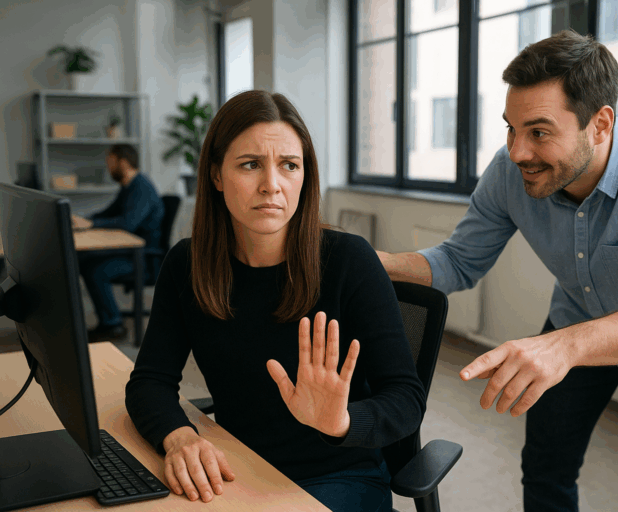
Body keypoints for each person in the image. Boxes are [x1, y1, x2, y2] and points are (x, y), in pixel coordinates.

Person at [378, 30, 618, 512]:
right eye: (511, 128)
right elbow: (458, 260)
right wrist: (373, 263)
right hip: (579, 315)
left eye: (539, 132)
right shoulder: (509, 171)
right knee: (545, 466)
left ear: (601, 124)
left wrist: (564, 346)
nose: (517, 151)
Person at [124, 90, 425, 512]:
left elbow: (406, 400)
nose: (272, 185)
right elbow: (149, 382)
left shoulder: (348, 261)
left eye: (289, 165)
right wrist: (180, 436)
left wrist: (339, 422)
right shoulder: (188, 264)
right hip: (239, 467)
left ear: (305, 176)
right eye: (250, 165)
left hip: (339, 476)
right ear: (215, 176)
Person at [78, 144, 164, 342]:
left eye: (111, 163)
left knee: (95, 269)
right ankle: (108, 320)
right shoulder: (129, 186)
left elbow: (127, 223)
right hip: (129, 253)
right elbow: (110, 213)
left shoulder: (140, 187)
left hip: (144, 259)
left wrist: (91, 224)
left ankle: (113, 325)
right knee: (85, 260)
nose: (108, 168)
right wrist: (85, 221)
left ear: (123, 163)